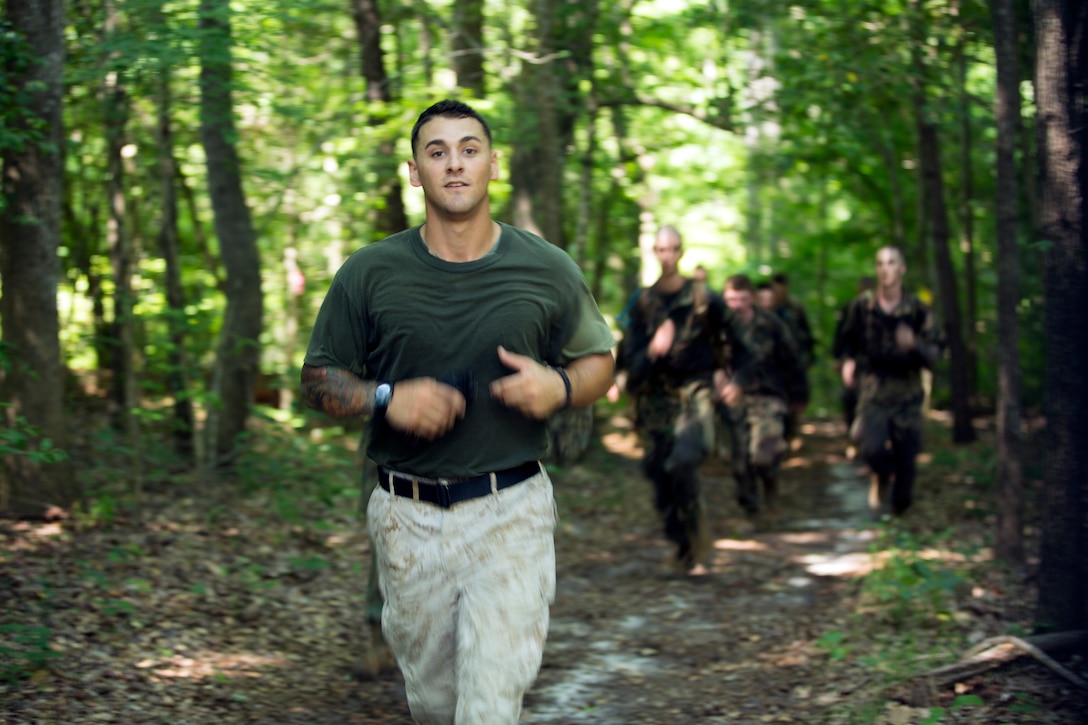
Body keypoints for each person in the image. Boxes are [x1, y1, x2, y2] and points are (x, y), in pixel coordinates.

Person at [300, 99, 616, 724]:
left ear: (493, 165)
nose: (454, 165)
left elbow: (598, 364)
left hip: (510, 513)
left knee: (488, 707)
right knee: (438, 707)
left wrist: (559, 385)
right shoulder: (369, 273)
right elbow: (319, 379)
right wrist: (387, 398)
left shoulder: (546, 267)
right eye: (436, 152)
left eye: (469, 149)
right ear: (415, 172)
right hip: (406, 521)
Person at [618, 225, 737, 573]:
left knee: (683, 461)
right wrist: (653, 349)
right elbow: (630, 357)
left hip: (695, 394)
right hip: (656, 402)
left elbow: (736, 338)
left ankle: (699, 541)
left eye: (672, 249)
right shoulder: (643, 302)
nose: (667, 255)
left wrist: (732, 374)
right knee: (658, 473)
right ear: (655, 253)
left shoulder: (702, 298)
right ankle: (682, 541)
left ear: (681, 252)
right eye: (661, 249)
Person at [837, 246, 944, 516]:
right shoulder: (862, 307)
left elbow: (937, 352)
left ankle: (898, 511)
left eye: (892, 263)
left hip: (908, 391)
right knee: (870, 448)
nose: (886, 269)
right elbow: (847, 339)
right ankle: (881, 475)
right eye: (880, 264)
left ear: (902, 269)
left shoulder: (918, 310)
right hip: (874, 389)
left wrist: (915, 345)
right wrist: (848, 361)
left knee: (907, 459)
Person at [719, 274, 809, 520]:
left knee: (764, 455)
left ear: (753, 299)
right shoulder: (719, 328)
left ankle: (770, 489)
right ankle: (751, 508)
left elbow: (792, 360)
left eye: (743, 299)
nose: (737, 305)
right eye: (731, 300)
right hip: (733, 402)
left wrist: (799, 394)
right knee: (739, 463)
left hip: (768, 397)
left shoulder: (770, 324)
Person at [831, 276, 876, 440]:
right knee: (850, 399)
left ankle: (868, 438)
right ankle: (853, 436)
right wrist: (839, 358)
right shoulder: (850, 308)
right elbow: (841, 335)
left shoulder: (881, 309)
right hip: (853, 361)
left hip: (874, 364)